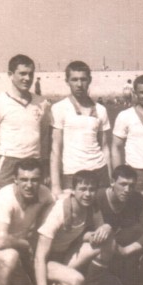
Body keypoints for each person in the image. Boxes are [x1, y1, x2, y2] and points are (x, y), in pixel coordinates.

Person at [35, 171, 118, 285]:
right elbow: (39, 258)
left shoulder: (92, 206)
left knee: (109, 242)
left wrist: (107, 227)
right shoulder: (59, 211)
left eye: (92, 189)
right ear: (73, 190)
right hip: (43, 262)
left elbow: (90, 234)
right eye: (82, 189)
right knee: (76, 281)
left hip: (64, 255)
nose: (87, 194)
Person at [0, 54, 51, 202]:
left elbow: (45, 139)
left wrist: (45, 167)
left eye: (30, 74)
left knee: (34, 211)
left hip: (34, 163)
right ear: (10, 74)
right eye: (22, 74)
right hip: (9, 163)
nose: (27, 78)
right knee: (4, 208)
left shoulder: (42, 103)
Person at [50, 61, 112, 198]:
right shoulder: (59, 108)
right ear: (67, 81)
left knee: (101, 210)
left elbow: (105, 147)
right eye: (74, 79)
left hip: (99, 171)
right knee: (72, 211)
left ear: (89, 80)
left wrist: (110, 178)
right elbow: (55, 149)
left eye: (83, 79)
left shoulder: (101, 110)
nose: (79, 84)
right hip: (72, 173)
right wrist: (55, 185)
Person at [95, 165, 143, 285]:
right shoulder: (98, 196)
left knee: (137, 232)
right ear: (112, 182)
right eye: (123, 184)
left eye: (131, 186)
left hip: (123, 247)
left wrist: (127, 250)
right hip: (100, 245)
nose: (127, 190)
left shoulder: (136, 198)